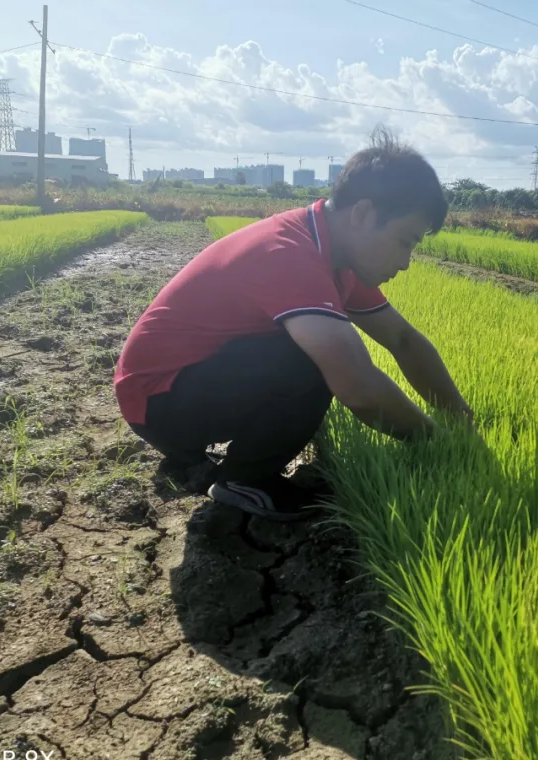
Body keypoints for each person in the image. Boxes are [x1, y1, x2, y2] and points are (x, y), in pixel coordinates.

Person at [113, 127, 473, 522]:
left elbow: (402, 339)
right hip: (158, 401)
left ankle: (223, 458)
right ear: (363, 214)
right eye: (405, 241)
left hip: (182, 387)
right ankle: (244, 480)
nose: (405, 262)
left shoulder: (336, 257)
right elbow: (357, 386)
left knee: (318, 349)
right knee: (319, 357)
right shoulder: (289, 253)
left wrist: (461, 418)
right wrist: (435, 441)